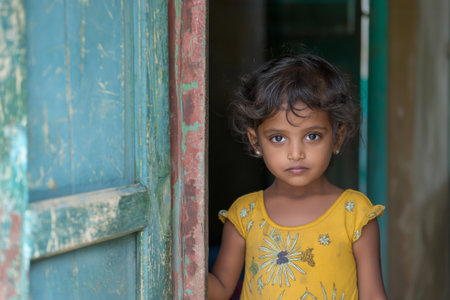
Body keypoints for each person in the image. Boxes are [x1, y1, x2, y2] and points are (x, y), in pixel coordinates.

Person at [208, 54, 387, 300]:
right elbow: (219, 289)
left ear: (337, 138)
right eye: (278, 138)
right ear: (255, 141)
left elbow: (373, 296)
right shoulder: (244, 216)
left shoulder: (355, 215)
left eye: (312, 136)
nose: (295, 153)